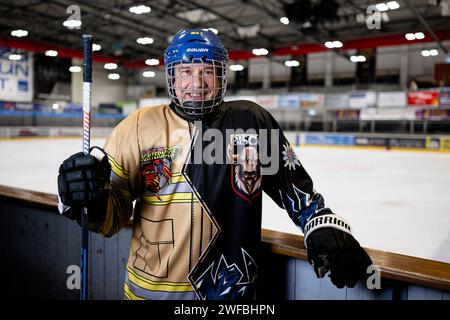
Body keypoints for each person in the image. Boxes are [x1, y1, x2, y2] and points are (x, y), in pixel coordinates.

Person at [57, 29, 372, 300]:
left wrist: (323, 225)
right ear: (172, 77)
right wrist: (91, 199)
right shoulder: (138, 126)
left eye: (207, 70)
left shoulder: (251, 121)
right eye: (185, 71)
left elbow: (298, 193)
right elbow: (112, 217)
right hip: (149, 293)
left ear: (222, 75)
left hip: (231, 295)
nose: (196, 82)